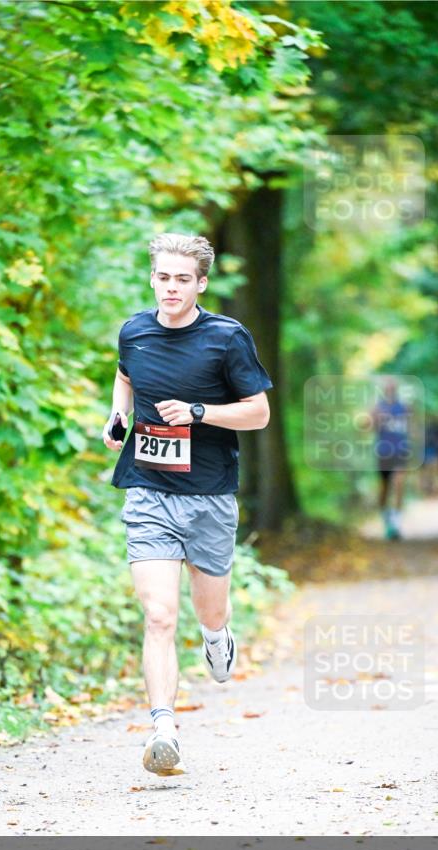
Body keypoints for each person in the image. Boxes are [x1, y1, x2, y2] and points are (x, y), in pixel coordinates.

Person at [102, 233, 272, 775]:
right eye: (163, 276)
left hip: (210, 494)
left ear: (200, 283)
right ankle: (163, 729)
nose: (171, 287)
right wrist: (118, 416)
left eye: (182, 279)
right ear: (152, 278)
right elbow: (125, 376)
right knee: (158, 615)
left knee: (209, 610)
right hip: (148, 488)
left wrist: (200, 412)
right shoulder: (135, 331)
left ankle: (217, 635)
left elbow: (258, 413)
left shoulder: (227, 338)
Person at [370, 377, 411, 540]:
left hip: (400, 451)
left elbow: (412, 429)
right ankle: (386, 521)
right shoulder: (377, 407)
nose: (390, 389)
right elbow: (367, 426)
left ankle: (397, 523)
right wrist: (375, 418)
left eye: (393, 386)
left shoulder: (404, 407)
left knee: (399, 483)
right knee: (384, 489)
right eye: (387, 387)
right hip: (384, 452)